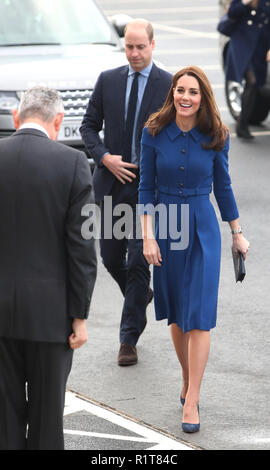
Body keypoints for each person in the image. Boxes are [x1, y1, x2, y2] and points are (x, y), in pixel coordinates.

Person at [138, 66, 250, 433]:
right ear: (172, 93)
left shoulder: (217, 135)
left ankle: (192, 398)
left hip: (202, 228)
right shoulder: (153, 131)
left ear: (203, 98)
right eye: (180, 89)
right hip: (166, 227)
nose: (185, 97)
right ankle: (187, 377)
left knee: (198, 315)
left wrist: (237, 232)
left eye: (193, 92)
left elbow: (224, 187)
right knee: (175, 313)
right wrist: (148, 236)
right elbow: (146, 189)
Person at [0, 86, 97, 450]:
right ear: (58, 120)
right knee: (46, 421)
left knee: (3, 420)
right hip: (50, 316)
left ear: (16, 117)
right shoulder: (71, 163)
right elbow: (82, 248)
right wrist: (79, 315)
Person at [80, 19, 172, 366]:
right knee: (110, 258)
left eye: (140, 47)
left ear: (152, 45)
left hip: (148, 187)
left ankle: (128, 338)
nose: (134, 53)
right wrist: (104, 157)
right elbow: (89, 126)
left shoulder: (168, 85)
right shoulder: (108, 80)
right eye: (129, 47)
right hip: (110, 183)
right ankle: (141, 296)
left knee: (137, 260)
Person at [225, 0, 270, 139]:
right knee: (252, 81)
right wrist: (245, 3)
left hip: (260, 47)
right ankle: (242, 124)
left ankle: (243, 122)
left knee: (256, 85)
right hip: (242, 45)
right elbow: (231, 13)